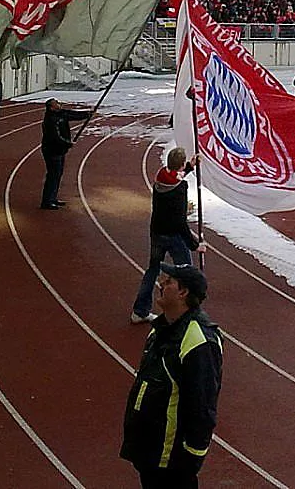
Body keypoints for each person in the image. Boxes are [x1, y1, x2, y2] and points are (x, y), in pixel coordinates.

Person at [122, 262, 222, 489]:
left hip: (172, 461)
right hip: (149, 451)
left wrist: (191, 458)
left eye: (168, 282)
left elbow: (202, 407)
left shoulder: (199, 342)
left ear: (183, 293)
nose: (161, 285)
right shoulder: (160, 329)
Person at [131, 148, 203, 324]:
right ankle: (189, 314)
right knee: (187, 274)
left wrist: (189, 167)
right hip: (174, 237)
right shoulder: (180, 188)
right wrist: (195, 245)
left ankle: (140, 310)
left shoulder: (161, 176)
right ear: (179, 165)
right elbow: (180, 222)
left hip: (157, 232)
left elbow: (173, 177)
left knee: (152, 271)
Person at [40, 98, 90, 209]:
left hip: (59, 151)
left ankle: (52, 198)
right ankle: (47, 201)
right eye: (56, 103)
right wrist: (68, 143)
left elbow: (71, 114)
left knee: (57, 175)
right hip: (52, 151)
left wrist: (87, 114)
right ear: (51, 107)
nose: (59, 104)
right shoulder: (50, 120)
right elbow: (55, 137)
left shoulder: (61, 114)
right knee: (53, 175)